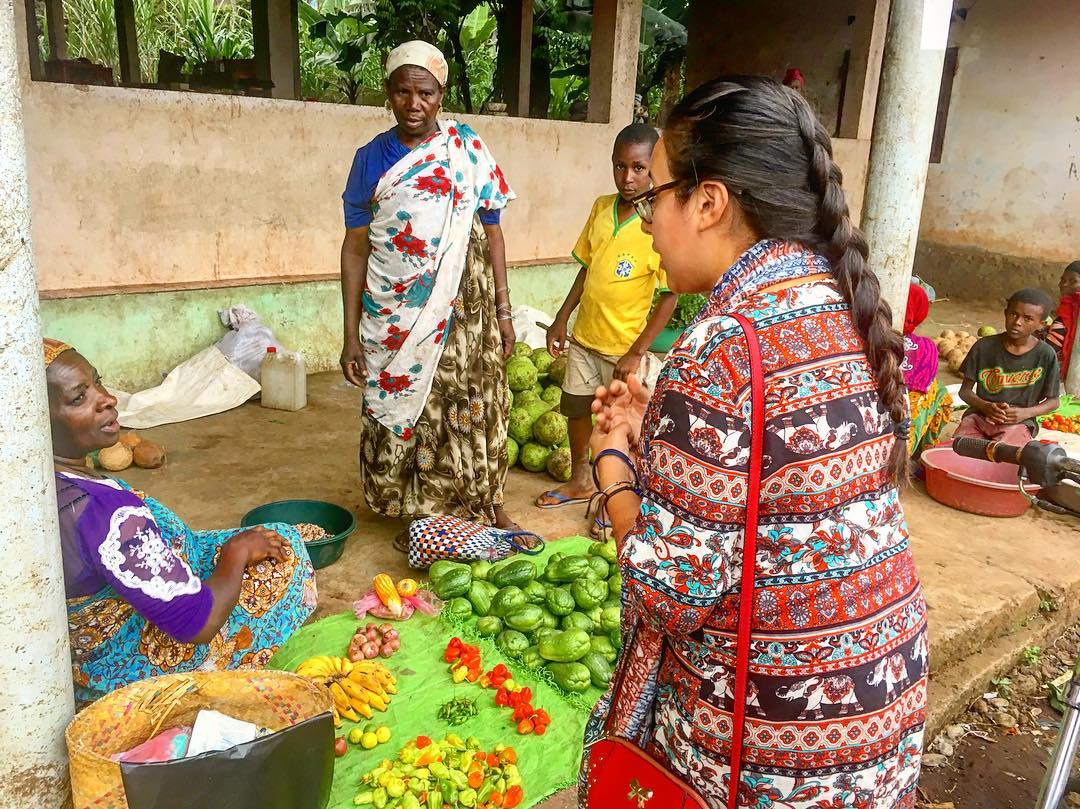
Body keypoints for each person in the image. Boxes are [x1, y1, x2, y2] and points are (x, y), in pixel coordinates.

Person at [581, 77, 927, 807]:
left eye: (654, 199)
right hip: (877, 712)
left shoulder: (723, 345)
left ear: (709, 202)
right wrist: (667, 430)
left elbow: (667, 589)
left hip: (769, 747)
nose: (645, 223)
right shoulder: (842, 301)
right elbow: (779, 483)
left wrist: (615, 462)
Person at [45, 340, 317, 705]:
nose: (106, 399)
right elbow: (198, 624)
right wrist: (235, 553)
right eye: (79, 398)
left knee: (276, 535)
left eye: (97, 382)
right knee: (286, 557)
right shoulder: (104, 513)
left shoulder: (47, 483)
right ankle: (227, 669)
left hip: (91, 635)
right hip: (126, 672)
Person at [338, 41, 519, 550]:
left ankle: (479, 498)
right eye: (402, 91)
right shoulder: (370, 160)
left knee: (470, 395)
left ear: (441, 96)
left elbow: (493, 230)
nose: (413, 104)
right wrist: (350, 333)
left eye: (426, 93)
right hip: (393, 312)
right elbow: (355, 248)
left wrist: (504, 311)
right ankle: (415, 508)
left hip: (465, 309)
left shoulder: (466, 150)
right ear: (389, 94)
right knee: (405, 403)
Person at [535, 124, 676, 516]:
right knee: (576, 411)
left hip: (622, 350)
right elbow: (587, 269)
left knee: (620, 425)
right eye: (619, 166)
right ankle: (582, 480)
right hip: (584, 339)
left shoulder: (656, 221)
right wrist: (562, 318)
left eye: (638, 168)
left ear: (653, 169)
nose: (627, 178)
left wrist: (637, 351)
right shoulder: (600, 208)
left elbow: (669, 295)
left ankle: (617, 494)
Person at [956, 288, 1060, 443]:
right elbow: (964, 391)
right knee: (960, 450)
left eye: (1028, 318)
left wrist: (1025, 413)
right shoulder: (983, 347)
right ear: (1005, 313)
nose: (1017, 322)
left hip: (1018, 423)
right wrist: (985, 406)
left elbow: (1054, 401)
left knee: (1007, 455)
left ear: (1041, 324)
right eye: (1013, 314)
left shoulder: (1045, 354)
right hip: (979, 417)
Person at [903, 283, 953, 453]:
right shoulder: (925, 348)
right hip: (899, 443)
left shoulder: (858, 338)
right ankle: (923, 452)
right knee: (940, 393)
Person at [1046, 261, 1080, 381]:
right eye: (1063, 280)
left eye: (1073, 281)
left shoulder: (1072, 308)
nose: (1064, 284)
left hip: (1064, 377)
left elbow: (1049, 351)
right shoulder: (1067, 307)